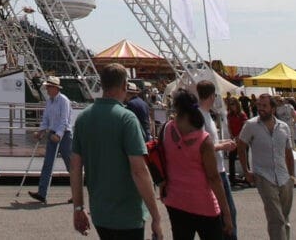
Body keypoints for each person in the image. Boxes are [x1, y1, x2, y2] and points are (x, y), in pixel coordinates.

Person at [70, 63, 164, 240]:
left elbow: (75, 167)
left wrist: (78, 207)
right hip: (128, 214)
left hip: (100, 213)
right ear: (124, 85)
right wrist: (156, 216)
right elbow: (139, 171)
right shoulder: (127, 118)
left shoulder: (83, 118)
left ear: (102, 84)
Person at [161, 90, 234, 240]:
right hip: (203, 203)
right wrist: (227, 213)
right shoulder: (203, 139)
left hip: (175, 200)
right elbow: (214, 178)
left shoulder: (167, 129)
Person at [237, 94, 294, 240]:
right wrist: (246, 171)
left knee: (285, 218)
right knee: (276, 218)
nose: (260, 108)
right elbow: (241, 146)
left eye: (264, 106)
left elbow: (289, 153)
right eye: (259, 105)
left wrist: (292, 176)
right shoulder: (251, 125)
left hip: (283, 177)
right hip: (263, 176)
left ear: (273, 109)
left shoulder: (283, 127)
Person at [195, 79, 238, 234]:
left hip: (218, 168)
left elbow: (209, 142)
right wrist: (223, 146)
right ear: (212, 96)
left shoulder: (206, 115)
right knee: (228, 213)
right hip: (214, 170)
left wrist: (222, 142)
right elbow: (202, 147)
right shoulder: (200, 116)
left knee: (225, 212)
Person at [29, 74, 74, 203]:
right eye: (47, 87)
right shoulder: (49, 101)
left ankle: (76, 194)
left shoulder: (64, 101)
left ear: (55, 88)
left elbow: (65, 121)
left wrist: (58, 135)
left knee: (70, 165)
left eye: (49, 87)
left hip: (64, 135)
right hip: (52, 134)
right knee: (47, 164)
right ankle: (42, 193)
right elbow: (46, 119)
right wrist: (41, 131)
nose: (47, 89)